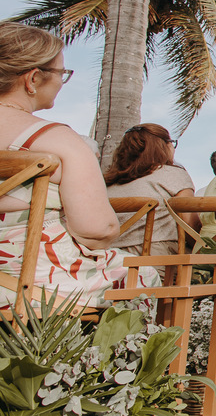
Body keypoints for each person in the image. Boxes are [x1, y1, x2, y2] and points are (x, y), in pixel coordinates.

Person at [0, 24, 159, 308]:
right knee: (143, 274)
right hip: (27, 285)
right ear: (33, 79)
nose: (62, 81)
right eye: (61, 73)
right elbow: (98, 231)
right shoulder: (57, 140)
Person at [104, 123, 200, 256]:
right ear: (164, 146)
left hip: (110, 257)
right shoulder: (172, 174)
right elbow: (191, 227)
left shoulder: (107, 184)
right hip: (156, 256)